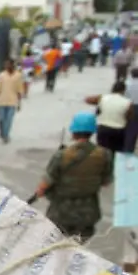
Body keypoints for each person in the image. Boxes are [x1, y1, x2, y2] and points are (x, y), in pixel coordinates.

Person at [33, 112, 113, 242]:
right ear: (92, 132)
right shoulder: (105, 154)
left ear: (74, 132)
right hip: (89, 211)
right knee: (78, 248)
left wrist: (39, 193)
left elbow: (45, 184)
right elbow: (106, 182)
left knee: (55, 245)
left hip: (61, 211)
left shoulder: (62, 155)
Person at [85, 80, 133, 155]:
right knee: (115, 153)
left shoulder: (103, 98)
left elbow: (87, 100)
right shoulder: (128, 102)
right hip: (118, 130)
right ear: (124, 91)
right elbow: (129, 117)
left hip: (103, 129)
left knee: (101, 152)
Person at [0, 59, 24, 144]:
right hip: (1, 101)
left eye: (8, 64)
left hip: (12, 101)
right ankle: (2, 132)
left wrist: (19, 103)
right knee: (1, 119)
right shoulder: (1, 75)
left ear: (12, 65)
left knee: (9, 120)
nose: (6, 66)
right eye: (5, 65)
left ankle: (6, 136)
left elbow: (19, 90)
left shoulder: (18, 76)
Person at [124, 67, 138, 151]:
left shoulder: (127, 83)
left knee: (130, 128)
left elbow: (125, 96)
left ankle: (129, 148)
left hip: (131, 107)